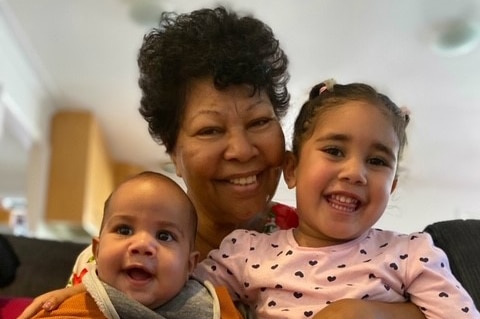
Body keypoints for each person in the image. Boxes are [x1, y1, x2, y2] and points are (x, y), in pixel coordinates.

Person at [19, 7, 426, 319]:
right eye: (210, 130)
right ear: (173, 153)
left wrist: (362, 312)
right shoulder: (121, 257)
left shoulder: (317, 234)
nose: (241, 150)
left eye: (260, 122)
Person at [193, 80, 480, 318]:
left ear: (391, 187)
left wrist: (377, 315)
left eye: (377, 160)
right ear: (292, 169)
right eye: (334, 151)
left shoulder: (411, 254)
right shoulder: (247, 253)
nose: (356, 173)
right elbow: (181, 298)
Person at [30, 171, 241, 319]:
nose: (142, 245)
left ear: (189, 265)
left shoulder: (215, 309)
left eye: (164, 236)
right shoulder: (69, 311)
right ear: (97, 250)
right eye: (124, 230)